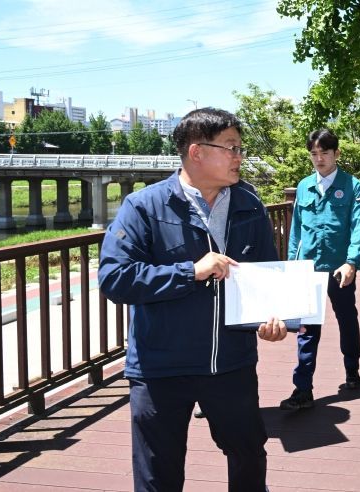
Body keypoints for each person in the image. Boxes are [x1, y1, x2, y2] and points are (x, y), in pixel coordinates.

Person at [98, 107, 288, 491]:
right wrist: (191, 271)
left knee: (249, 458)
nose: (239, 157)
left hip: (231, 363)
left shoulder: (249, 204)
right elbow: (114, 278)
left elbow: (265, 276)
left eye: (240, 148)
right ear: (196, 151)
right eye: (231, 147)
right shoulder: (144, 206)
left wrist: (273, 318)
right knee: (158, 475)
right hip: (160, 369)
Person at [280, 128, 360, 410]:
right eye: (314, 154)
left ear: (336, 153)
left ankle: (352, 367)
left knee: (346, 319)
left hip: (339, 268)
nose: (319, 159)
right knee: (307, 329)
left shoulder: (352, 185)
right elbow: (296, 230)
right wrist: (292, 265)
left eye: (325, 153)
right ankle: (303, 388)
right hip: (308, 268)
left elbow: (358, 226)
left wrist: (352, 261)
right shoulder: (304, 186)